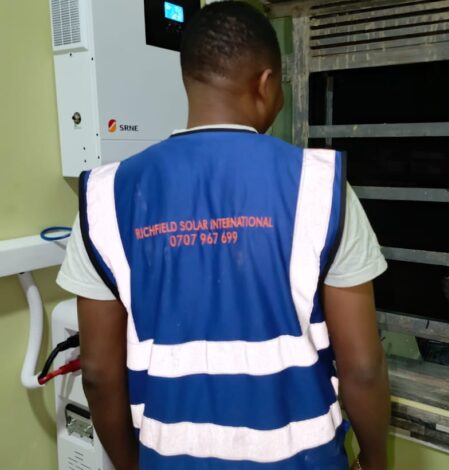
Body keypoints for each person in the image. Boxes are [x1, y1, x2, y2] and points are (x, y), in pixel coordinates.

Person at [56, 2, 389, 469]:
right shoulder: (322, 188)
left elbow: (96, 373)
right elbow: (363, 368)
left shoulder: (104, 198)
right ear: (265, 83)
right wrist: (375, 459)